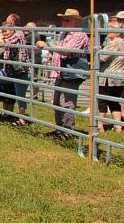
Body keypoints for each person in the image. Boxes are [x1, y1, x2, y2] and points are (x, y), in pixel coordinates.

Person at [37, 9, 89, 139]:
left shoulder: (80, 35)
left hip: (71, 72)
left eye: (67, 20)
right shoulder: (62, 33)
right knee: (56, 102)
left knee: (68, 102)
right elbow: (58, 49)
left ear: (76, 22)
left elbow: (67, 51)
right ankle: (60, 128)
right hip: (60, 71)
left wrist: (47, 46)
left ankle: (67, 131)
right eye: (63, 20)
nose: (64, 22)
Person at [0, 13, 30, 126]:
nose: (4, 33)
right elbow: (1, 39)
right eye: (3, 30)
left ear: (13, 27)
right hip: (9, 71)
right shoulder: (8, 35)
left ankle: (22, 120)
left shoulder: (18, 35)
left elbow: (4, 42)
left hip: (21, 71)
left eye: (7, 29)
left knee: (20, 96)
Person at [97, 17, 124, 132]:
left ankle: (99, 125)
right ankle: (118, 126)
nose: (108, 30)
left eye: (111, 28)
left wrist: (95, 53)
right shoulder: (122, 42)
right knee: (114, 101)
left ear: (118, 32)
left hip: (109, 77)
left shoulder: (115, 43)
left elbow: (101, 58)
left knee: (102, 100)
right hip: (118, 77)